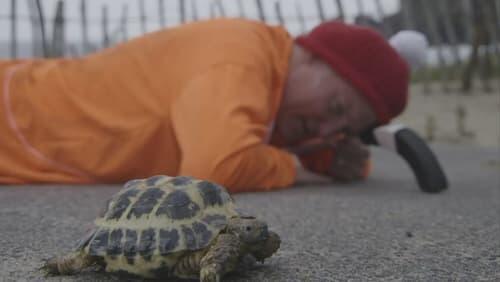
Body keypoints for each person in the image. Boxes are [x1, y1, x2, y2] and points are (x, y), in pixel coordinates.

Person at [0, 18, 414, 193]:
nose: (326, 130)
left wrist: (331, 156)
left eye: (342, 128)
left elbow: (266, 137)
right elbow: (215, 167)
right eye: (338, 108)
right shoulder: (239, 60)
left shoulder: (275, 83)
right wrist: (300, 167)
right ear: (309, 54)